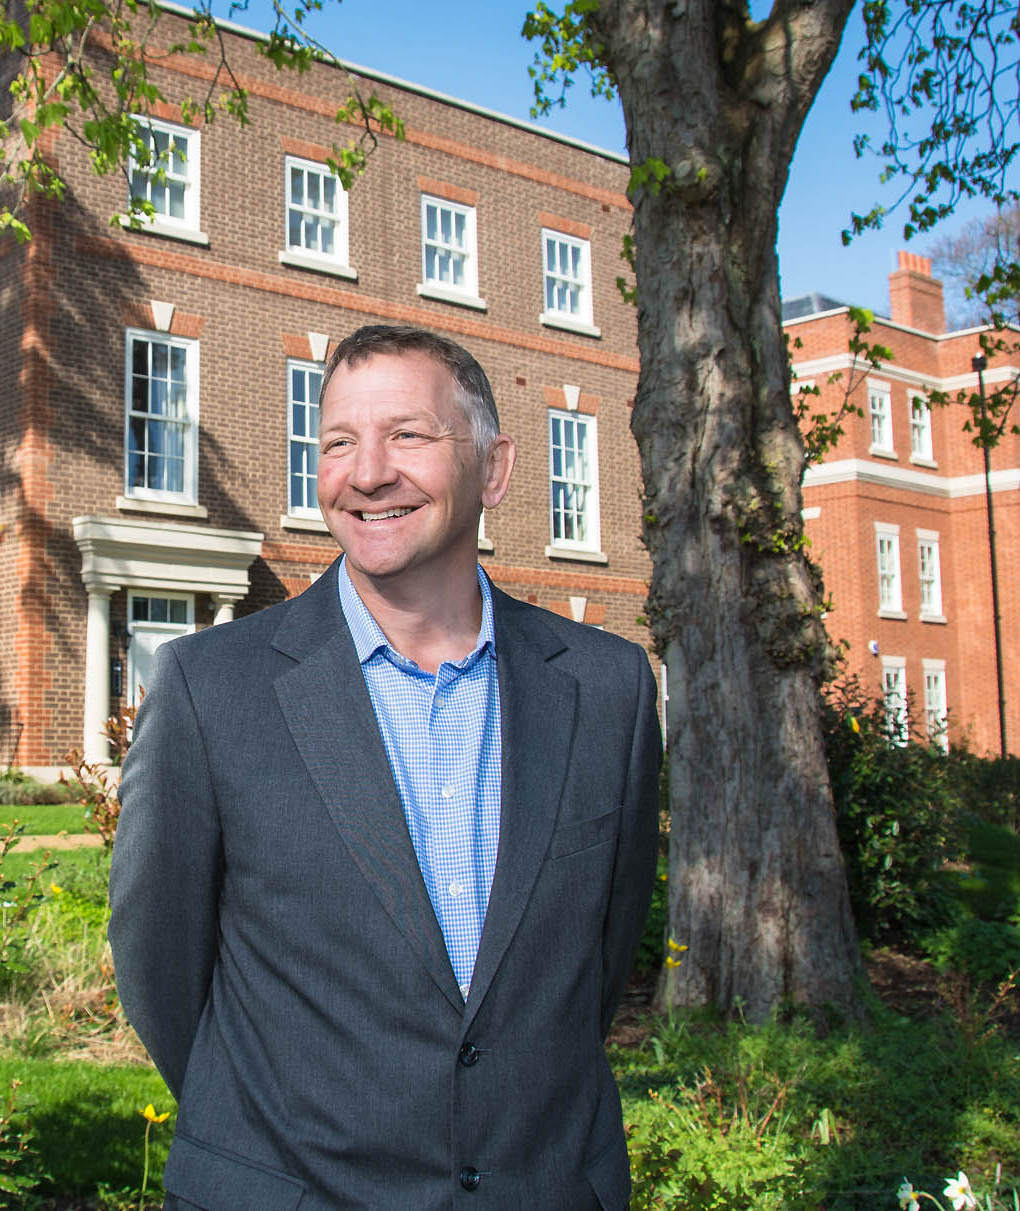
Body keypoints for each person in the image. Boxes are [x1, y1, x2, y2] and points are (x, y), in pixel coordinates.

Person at [110, 324, 662, 1210]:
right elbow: (159, 970)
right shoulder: (210, 691)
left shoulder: (609, 690)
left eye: (407, 434)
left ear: (494, 466)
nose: (367, 472)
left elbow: (591, 969)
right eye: (336, 442)